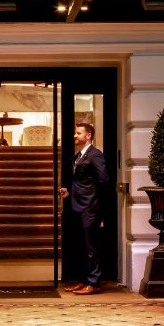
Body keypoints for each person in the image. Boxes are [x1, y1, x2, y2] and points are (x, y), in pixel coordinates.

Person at [58, 121, 108, 295]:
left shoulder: (95, 155)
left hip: (90, 207)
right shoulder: (78, 155)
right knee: (81, 246)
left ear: (88, 136)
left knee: (91, 246)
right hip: (77, 205)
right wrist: (69, 191)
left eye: (78, 133)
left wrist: (94, 202)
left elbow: (103, 180)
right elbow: (81, 180)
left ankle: (93, 283)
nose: (75, 135)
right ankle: (83, 280)